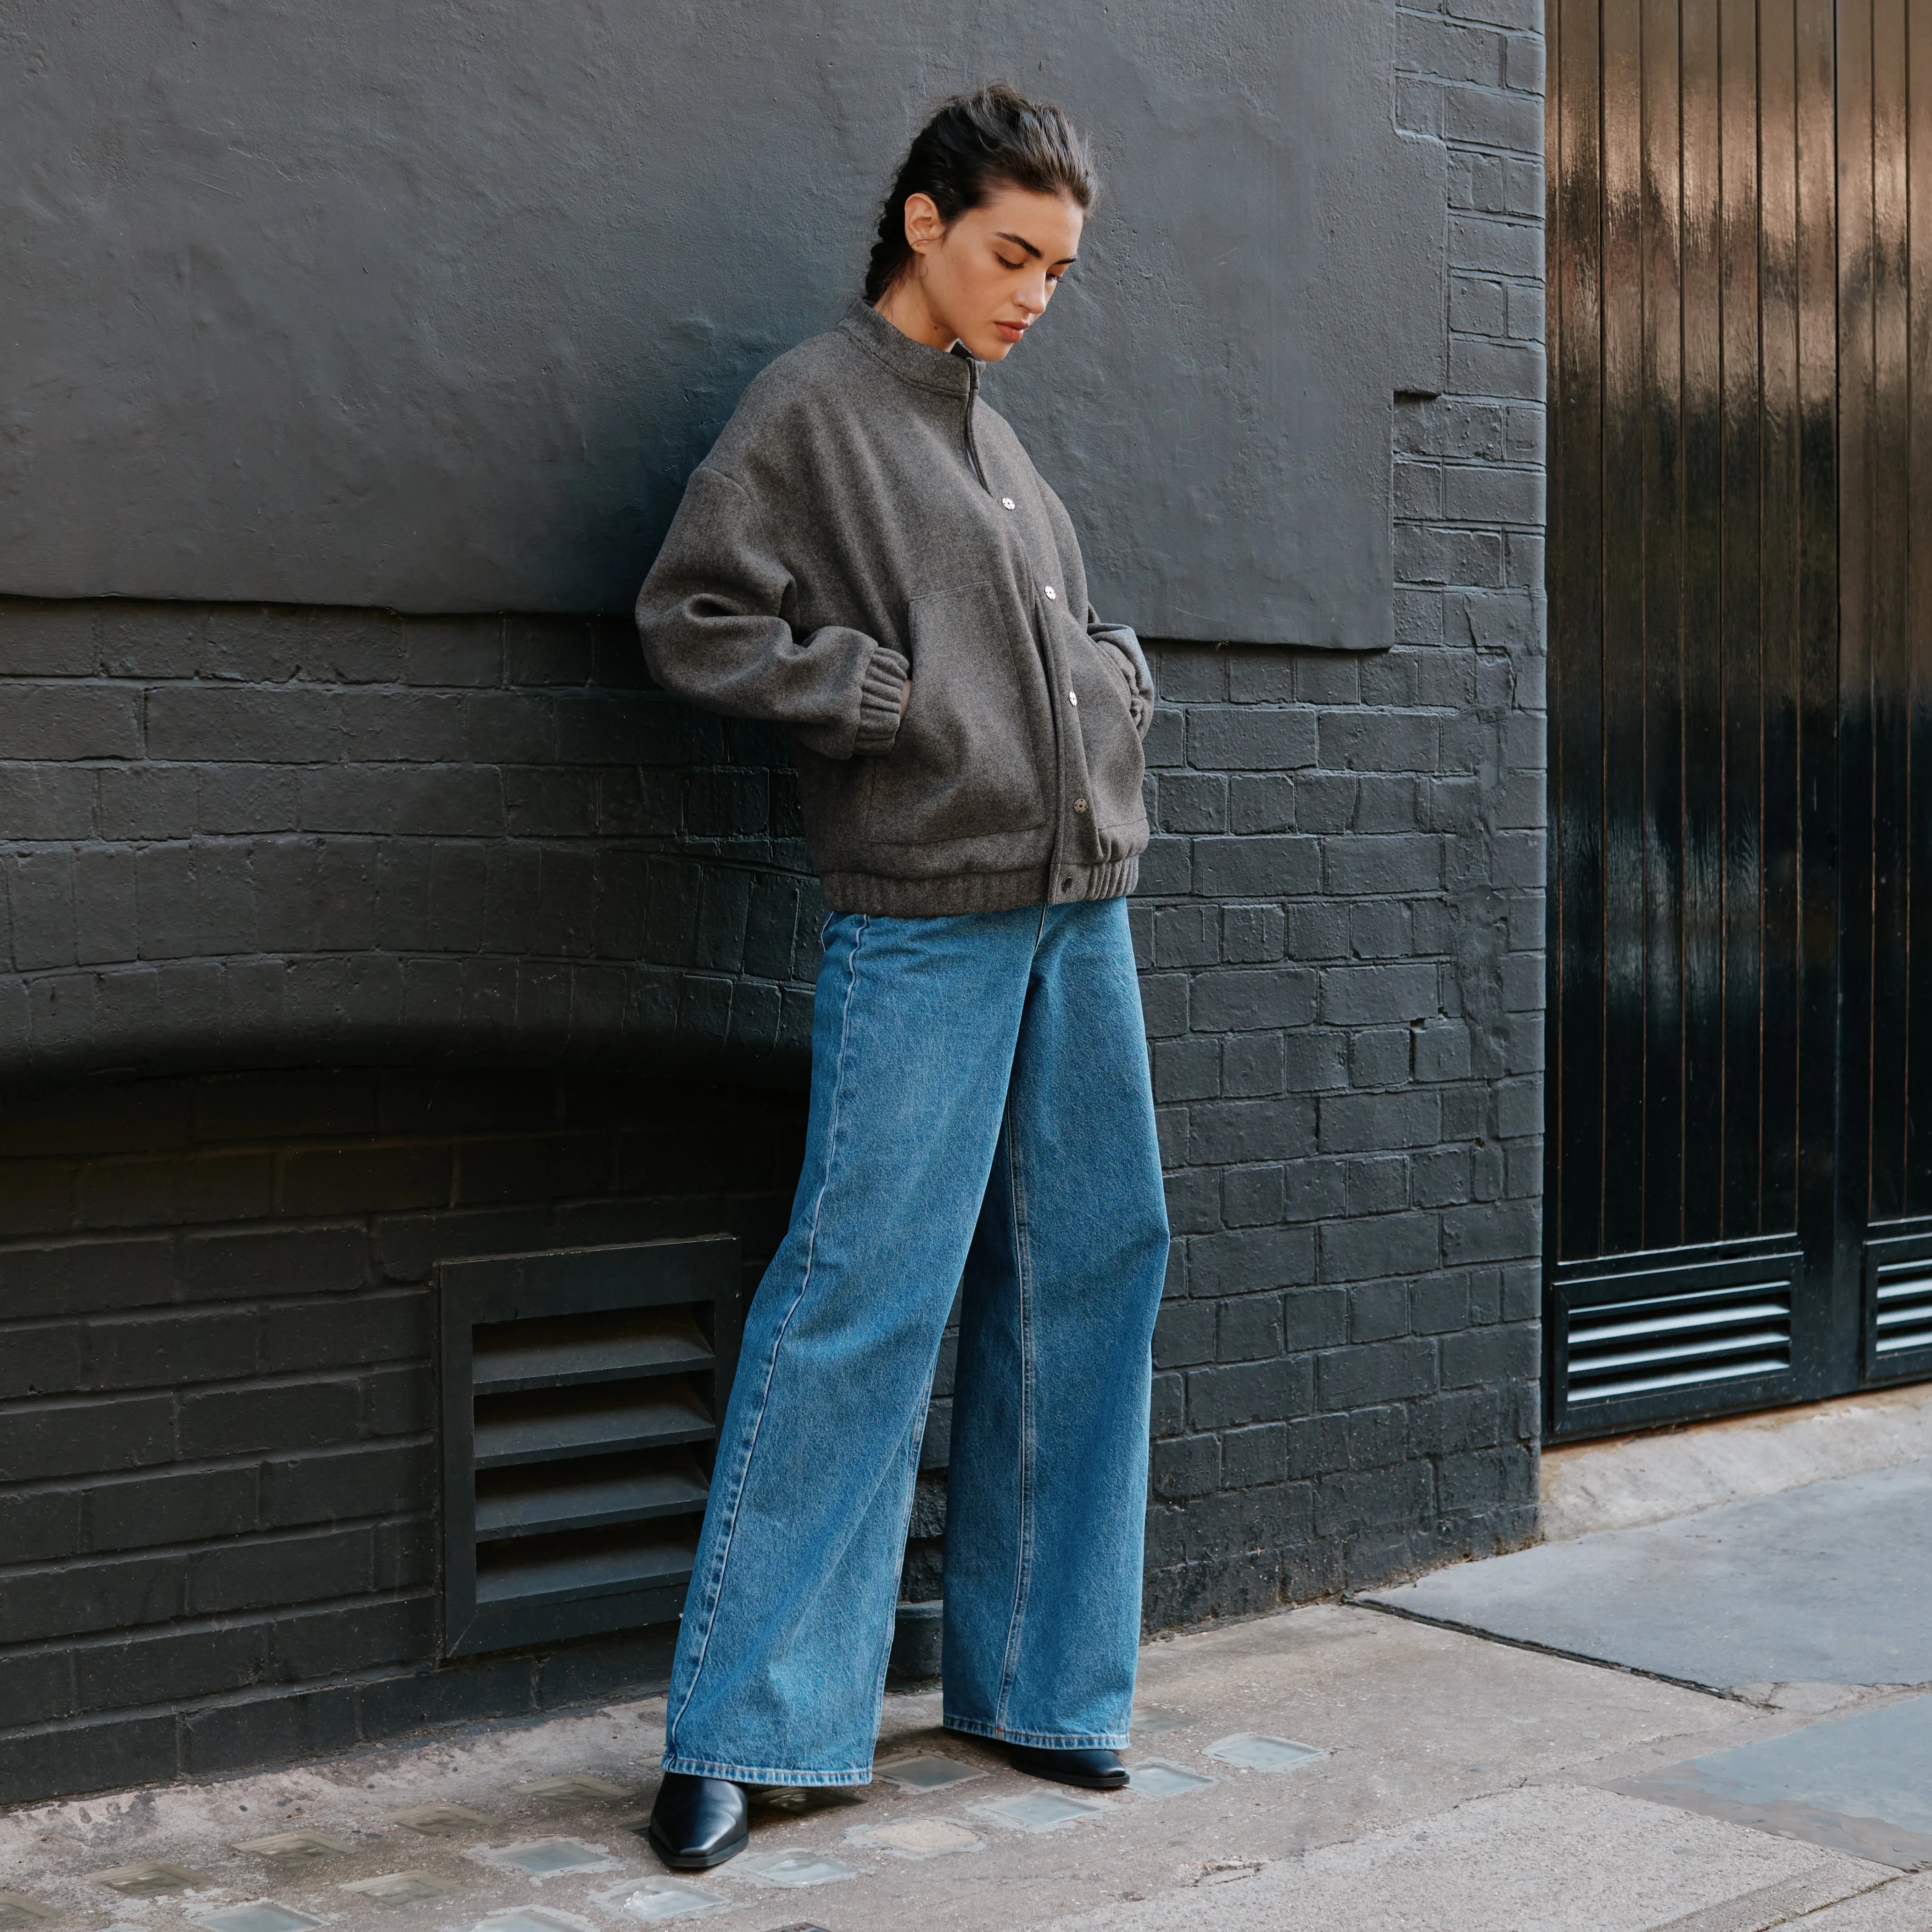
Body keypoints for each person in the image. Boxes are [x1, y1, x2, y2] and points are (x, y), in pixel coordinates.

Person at [632, 81, 1171, 1872]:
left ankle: (1039, 1685)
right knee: (863, 1290)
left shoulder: (993, 440)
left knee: (1093, 1268)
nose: (1033, 291)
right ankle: (741, 1725)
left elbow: (1054, 634)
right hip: (925, 911)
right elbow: (693, 613)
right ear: (924, 222)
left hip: (1073, 902)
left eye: (1058, 268)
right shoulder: (813, 404)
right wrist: (877, 700)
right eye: (1011, 252)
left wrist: (1111, 688)